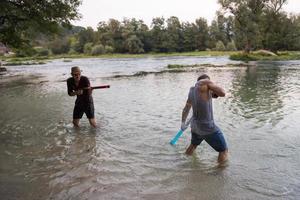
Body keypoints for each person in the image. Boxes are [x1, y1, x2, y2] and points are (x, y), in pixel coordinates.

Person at [181, 74, 228, 163]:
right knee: (223, 150)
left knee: (193, 145)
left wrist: (182, 123)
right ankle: (219, 174)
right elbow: (223, 93)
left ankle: (184, 162)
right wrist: (212, 84)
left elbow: (186, 108)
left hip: (195, 127)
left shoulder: (192, 91)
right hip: (207, 127)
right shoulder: (206, 82)